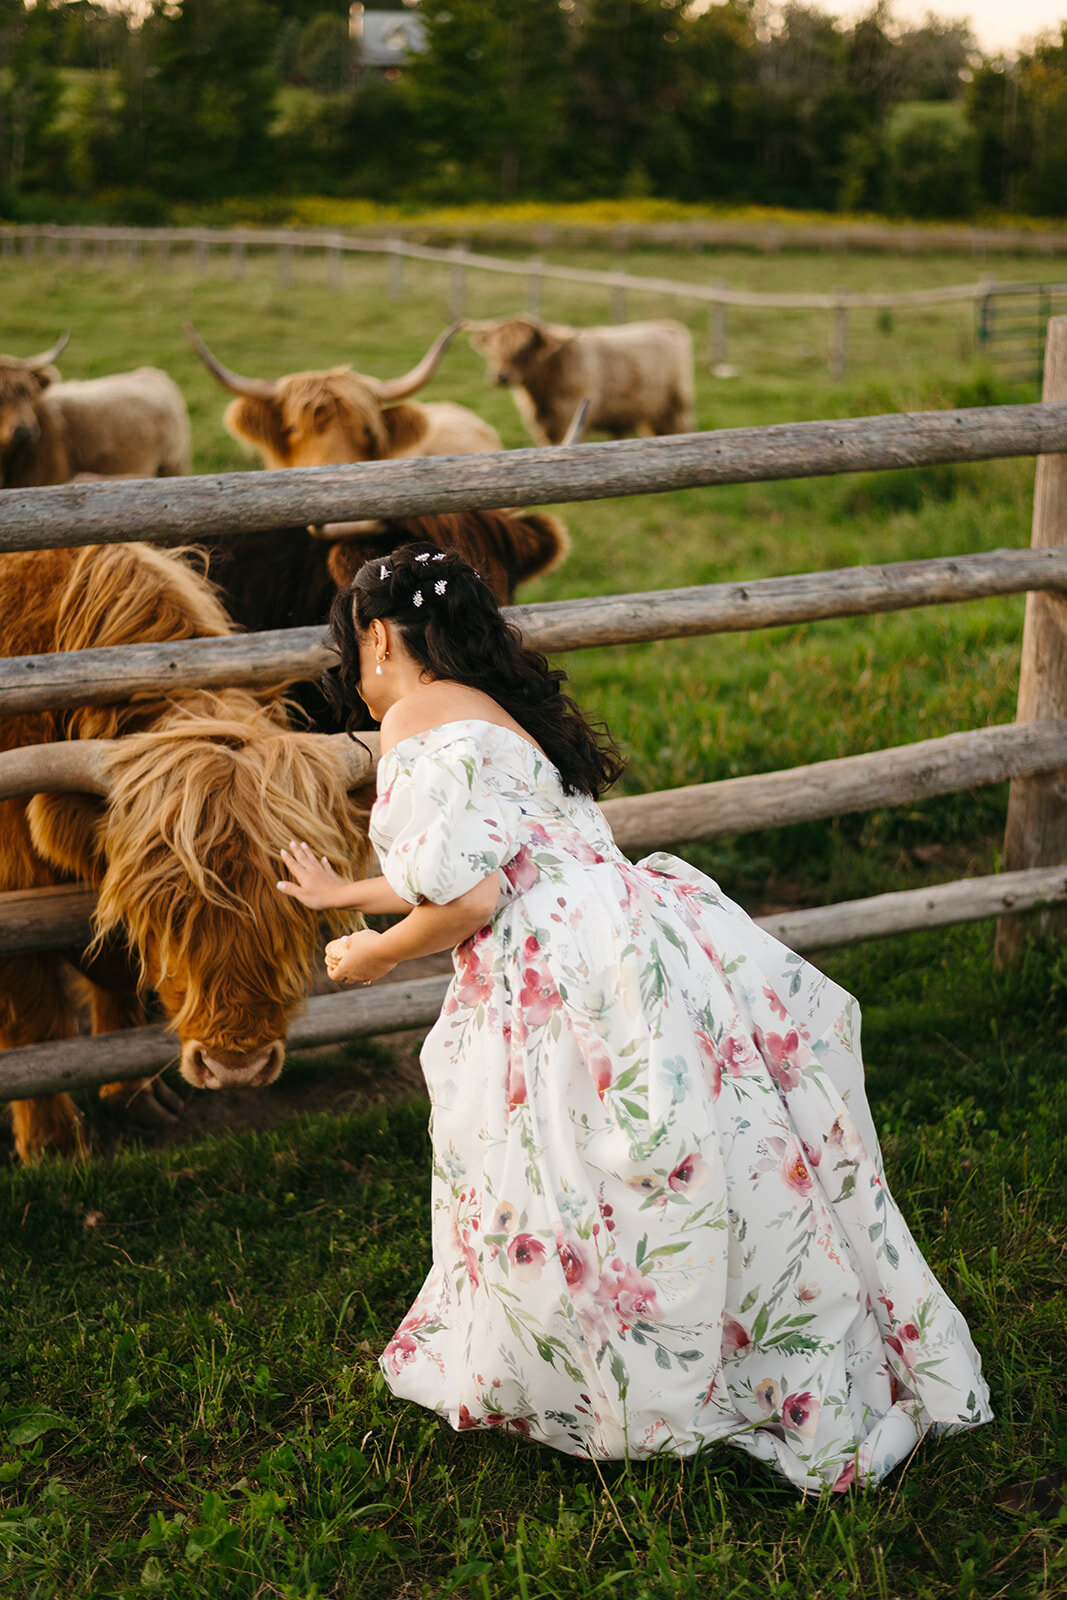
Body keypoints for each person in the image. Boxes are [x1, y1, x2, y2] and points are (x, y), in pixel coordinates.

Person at [276, 541, 991, 1493]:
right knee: (671, 1151)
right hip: (628, 940)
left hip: (550, 968)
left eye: (350, 654)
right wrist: (345, 891)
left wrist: (367, 950)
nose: (355, 681)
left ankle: (602, 1370)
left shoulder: (410, 715)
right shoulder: (502, 714)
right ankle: (743, 1338)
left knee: (553, 1162)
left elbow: (471, 896)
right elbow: (491, 851)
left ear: (377, 637)